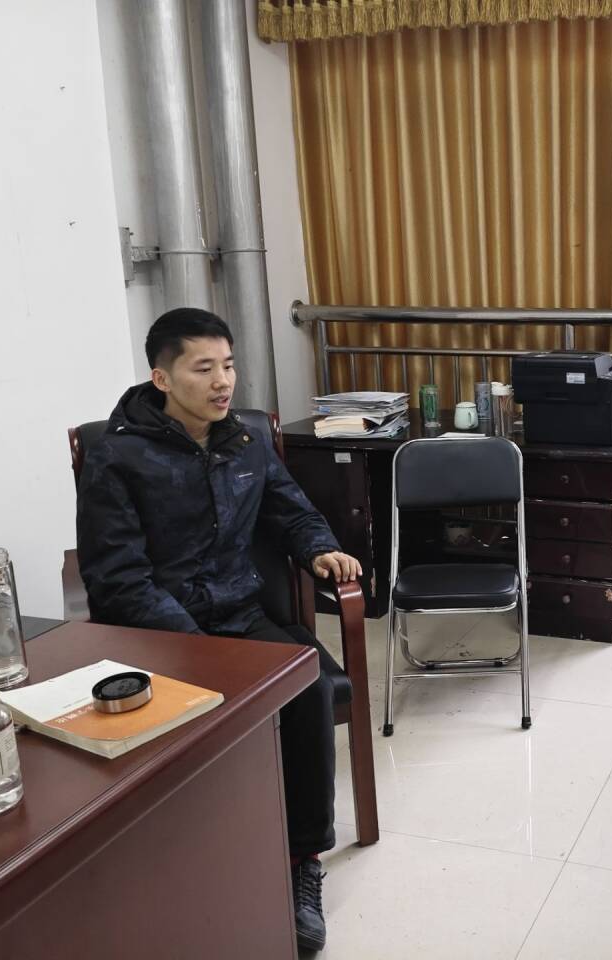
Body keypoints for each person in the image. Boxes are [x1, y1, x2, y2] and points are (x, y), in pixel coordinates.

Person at [76, 307, 360, 951]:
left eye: (228, 365)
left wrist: (320, 548)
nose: (223, 381)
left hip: (240, 617)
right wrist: (194, 649)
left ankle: (301, 861)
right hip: (161, 634)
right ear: (162, 378)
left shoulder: (243, 440)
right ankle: (199, 861)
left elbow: (291, 511)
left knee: (309, 687)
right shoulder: (117, 456)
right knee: (203, 712)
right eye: (203, 368)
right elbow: (116, 577)